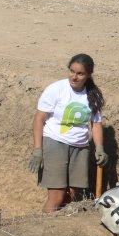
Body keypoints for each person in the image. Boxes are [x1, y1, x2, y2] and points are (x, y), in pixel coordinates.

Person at [27, 54, 107, 213]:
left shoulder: (93, 94)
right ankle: (45, 229)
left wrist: (99, 148)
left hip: (80, 147)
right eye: (72, 71)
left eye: (80, 73)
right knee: (56, 197)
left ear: (88, 75)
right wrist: (38, 149)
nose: (74, 77)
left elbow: (96, 123)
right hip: (55, 143)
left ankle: (57, 226)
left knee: (71, 193)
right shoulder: (56, 89)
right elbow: (39, 120)